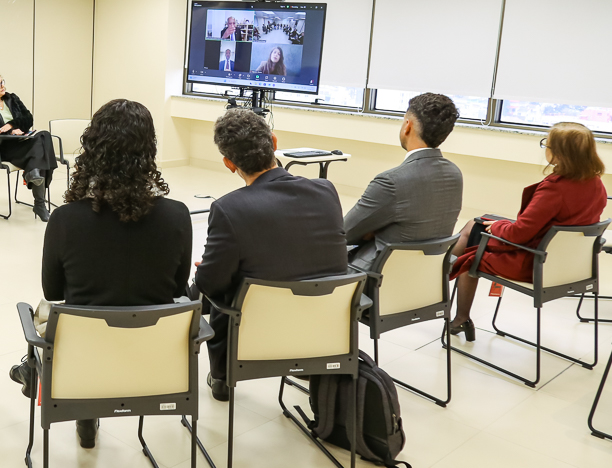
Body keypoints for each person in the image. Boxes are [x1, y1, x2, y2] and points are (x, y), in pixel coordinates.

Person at [8, 99, 192, 449]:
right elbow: (179, 286)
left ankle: (78, 409)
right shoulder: (178, 216)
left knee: (61, 316)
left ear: (92, 148)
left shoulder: (65, 219)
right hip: (155, 366)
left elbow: (52, 289)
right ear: (149, 149)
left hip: (82, 367)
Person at [193, 109, 347, 401]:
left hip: (258, 335)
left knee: (218, 288)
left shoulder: (229, 208)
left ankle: (223, 378)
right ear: (274, 142)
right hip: (325, 331)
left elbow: (211, 286)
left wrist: (208, 271)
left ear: (228, 163)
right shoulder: (326, 190)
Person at [449, 122, 607, 341]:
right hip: (569, 265)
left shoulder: (555, 188)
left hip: (537, 264)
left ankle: (452, 305)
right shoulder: (596, 183)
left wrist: (497, 227)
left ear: (559, 152)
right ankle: (443, 288)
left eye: (547, 144)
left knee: (470, 255)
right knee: (475, 225)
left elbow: (519, 234)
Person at [344, 93, 464, 271]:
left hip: (378, 279)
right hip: (427, 281)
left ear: (407, 126)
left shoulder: (390, 182)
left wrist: (373, 231)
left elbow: (344, 233)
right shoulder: (455, 174)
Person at [0, 71, 58, 221]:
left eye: (3, 81)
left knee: (44, 135)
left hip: (21, 142)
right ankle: (38, 199)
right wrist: (10, 132)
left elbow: (28, 118)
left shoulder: (12, 98)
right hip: (2, 146)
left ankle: (33, 173)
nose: (3, 86)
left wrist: (13, 125)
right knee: (40, 151)